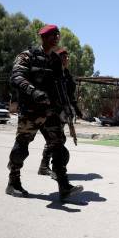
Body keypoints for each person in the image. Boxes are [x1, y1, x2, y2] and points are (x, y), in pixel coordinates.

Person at [6, 24, 83, 200]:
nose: (56, 38)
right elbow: (16, 77)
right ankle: (13, 183)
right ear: (43, 38)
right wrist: (34, 92)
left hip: (52, 111)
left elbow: (61, 85)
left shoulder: (56, 60)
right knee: (21, 147)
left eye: (58, 35)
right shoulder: (27, 56)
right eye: (52, 35)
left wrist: (67, 107)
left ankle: (63, 186)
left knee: (58, 147)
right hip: (31, 111)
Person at [37, 48, 82, 178]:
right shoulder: (53, 73)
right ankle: (47, 167)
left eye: (68, 57)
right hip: (53, 111)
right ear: (58, 58)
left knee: (57, 139)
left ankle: (46, 166)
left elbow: (70, 96)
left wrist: (77, 110)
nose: (67, 59)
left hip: (63, 111)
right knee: (57, 138)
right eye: (64, 57)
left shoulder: (66, 74)